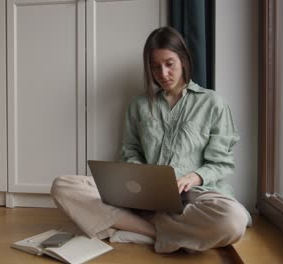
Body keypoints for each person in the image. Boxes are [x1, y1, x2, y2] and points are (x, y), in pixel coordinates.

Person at [51, 26, 251, 253]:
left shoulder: (213, 103)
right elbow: (130, 151)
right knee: (63, 186)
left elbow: (221, 163)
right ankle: (158, 233)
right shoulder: (139, 105)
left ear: (183, 60)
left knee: (233, 220)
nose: (163, 74)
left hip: (194, 198)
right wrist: (140, 178)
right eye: (155, 67)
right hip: (144, 196)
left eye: (169, 64)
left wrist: (193, 178)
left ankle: (137, 229)